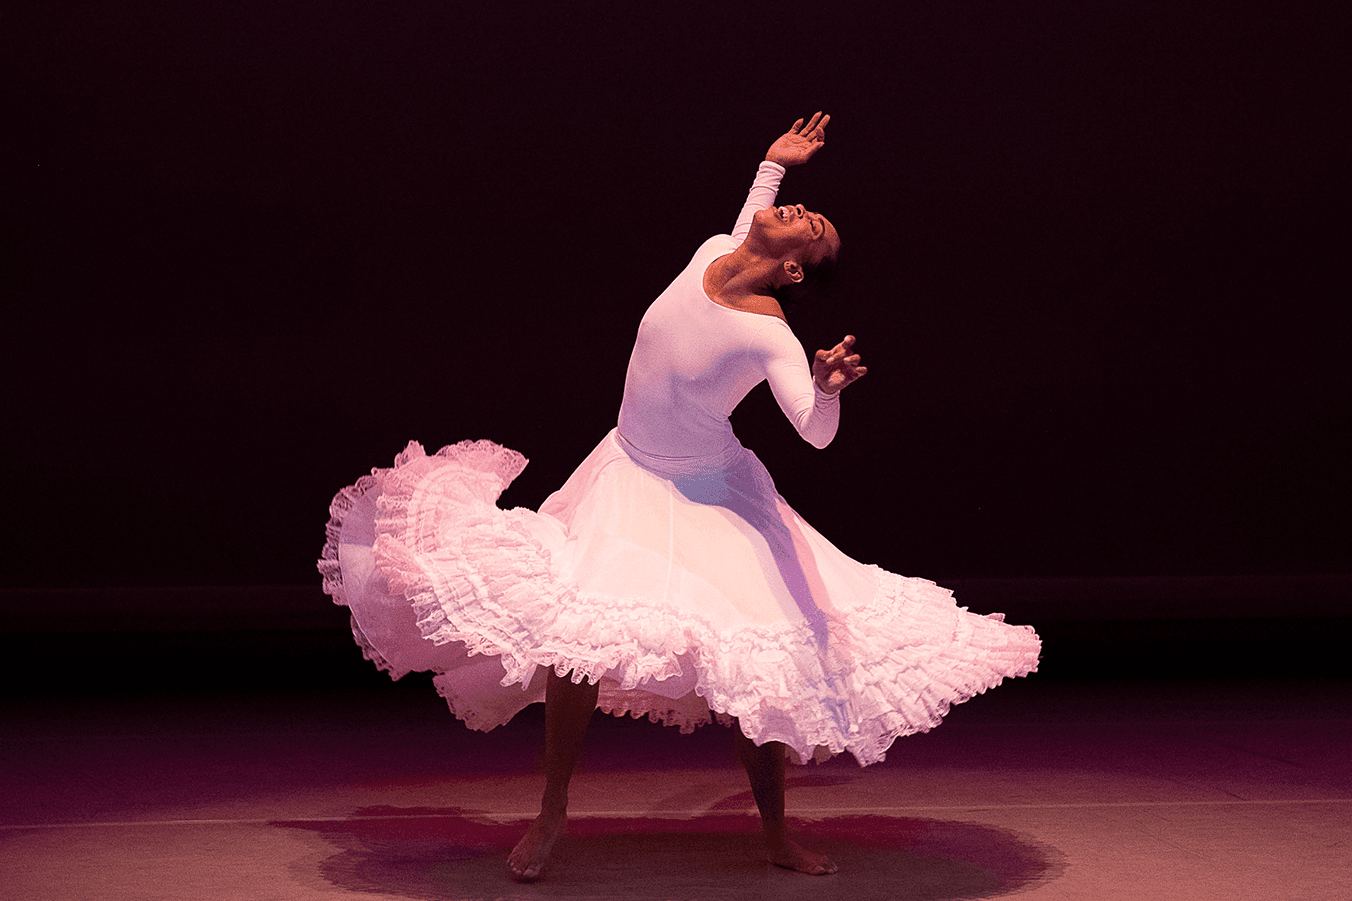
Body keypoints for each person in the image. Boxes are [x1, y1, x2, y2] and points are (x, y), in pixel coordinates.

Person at [317, 113, 1041, 882]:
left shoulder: (771, 335)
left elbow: (813, 430)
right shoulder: (716, 251)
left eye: (812, 224)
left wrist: (827, 388)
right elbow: (747, 217)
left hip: (709, 494)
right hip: (626, 473)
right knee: (576, 641)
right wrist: (773, 165)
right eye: (801, 205)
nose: (798, 210)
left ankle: (774, 831)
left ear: (795, 272)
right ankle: (552, 812)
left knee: (758, 657)